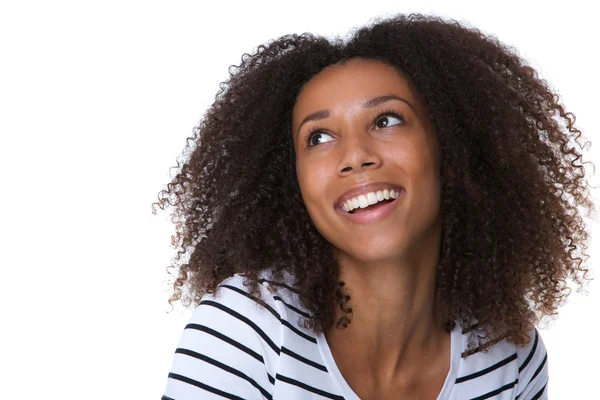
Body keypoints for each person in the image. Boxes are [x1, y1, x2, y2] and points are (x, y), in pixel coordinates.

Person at [153, 13, 596, 400]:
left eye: (386, 120)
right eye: (319, 137)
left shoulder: (510, 357)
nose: (355, 155)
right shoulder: (247, 331)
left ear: (451, 146)